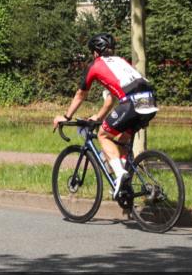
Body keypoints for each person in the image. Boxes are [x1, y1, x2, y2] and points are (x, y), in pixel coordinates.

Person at [54, 33, 158, 198]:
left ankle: (120, 175)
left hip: (132, 102)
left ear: (95, 52)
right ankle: (123, 185)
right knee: (122, 140)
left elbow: (81, 94)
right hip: (150, 100)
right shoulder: (121, 62)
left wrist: (66, 117)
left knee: (103, 135)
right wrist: (99, 117)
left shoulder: (95, 65)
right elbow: (110, 100)